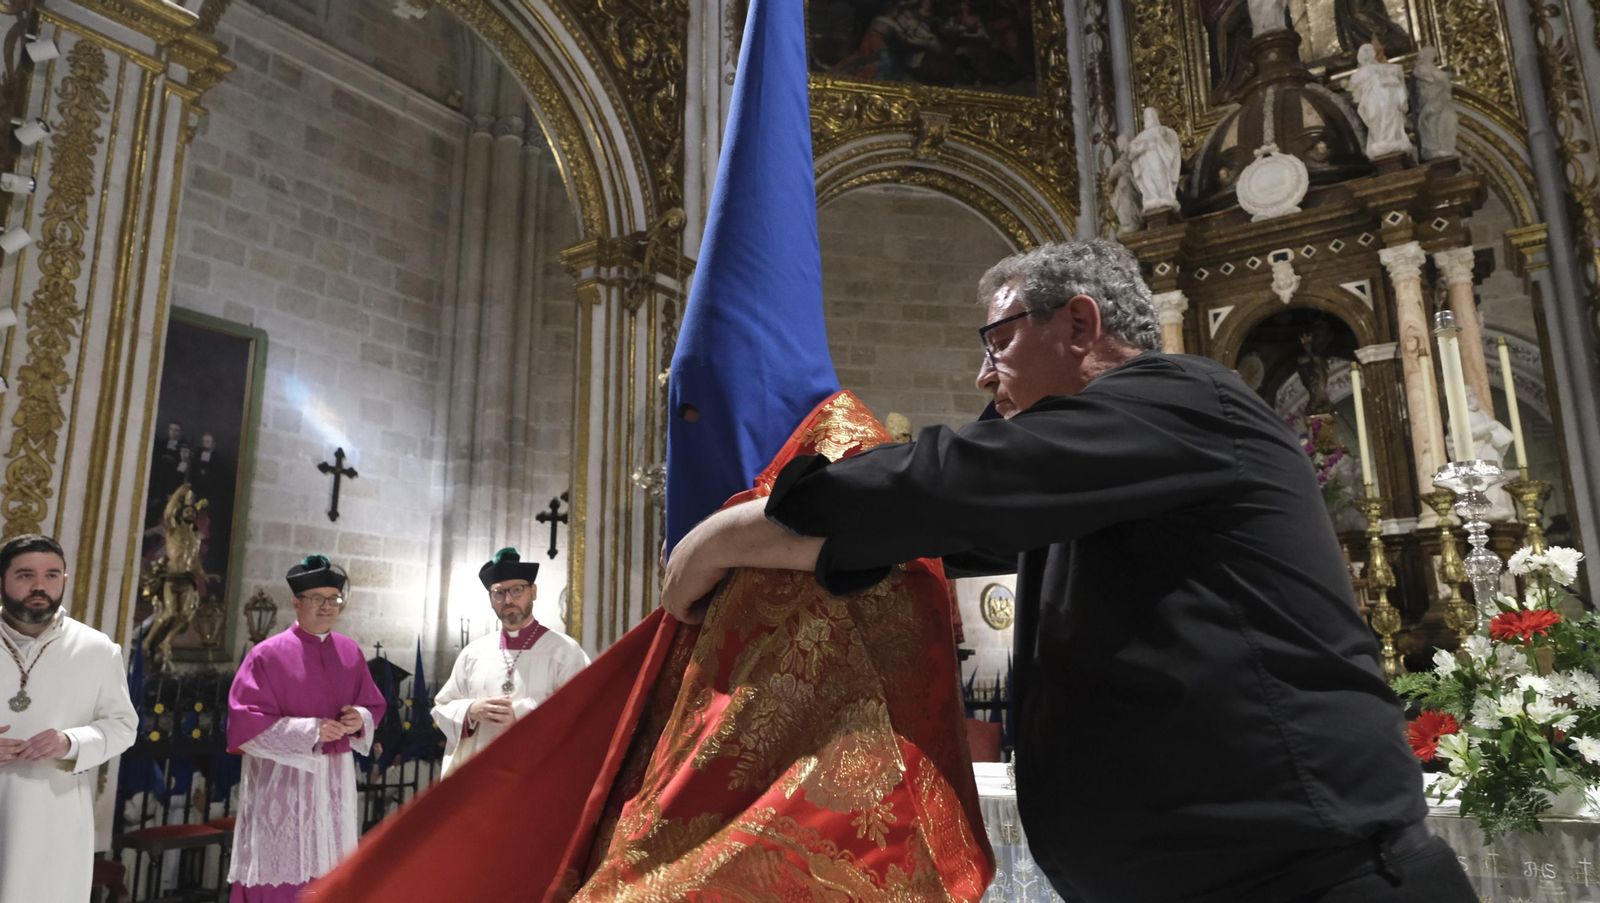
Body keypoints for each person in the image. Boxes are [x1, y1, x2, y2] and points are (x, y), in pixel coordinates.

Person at [662, 239, 1477, 902]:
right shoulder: (1091, 482)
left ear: (1080, 324)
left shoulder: (1186, 403)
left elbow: (954, 481)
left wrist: (717, 538)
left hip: (1316, 883)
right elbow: (915, 534)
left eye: (1000, 341)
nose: (984, 376)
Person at [225, 554, 386, 902]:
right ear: (296, 602)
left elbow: (372, 704)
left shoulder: (350, 652)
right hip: (282, 784)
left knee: (330, 871)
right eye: (317, 599)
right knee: (281, 876)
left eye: (334, 599)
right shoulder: (266, 655)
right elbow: (243, 723)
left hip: (334, 780)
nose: (327, 607)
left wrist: (360, 718)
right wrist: (309, 731)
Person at [0, 534, 138, 903]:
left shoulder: (96, 650)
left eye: (52, 575)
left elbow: (123, 727)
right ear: (3, 580)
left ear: (65, 579)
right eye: (25, 575)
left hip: (54, 812)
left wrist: (71, 742)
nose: (39, 586)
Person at [432, 547, 589, 777]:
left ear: (533, 592)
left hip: (536, 777)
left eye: (517, 590)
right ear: (490, 599)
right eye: (499, 593)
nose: (508, 600)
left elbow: (582, 714)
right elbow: (442, 707)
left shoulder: (564, 652)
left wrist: (521, 716)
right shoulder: (473, 654)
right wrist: (470, 711)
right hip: (481, 779)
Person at [1349, 42, 1413, 160]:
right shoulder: (1364, 73)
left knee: (1385, 119)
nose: (1366, 56)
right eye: (1365, 54)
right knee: (1377, 120)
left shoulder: (1383, 69)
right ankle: (1384, 140)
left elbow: (1397, 81)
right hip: (1374, 101)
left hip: (1385, 99)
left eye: (1368, 53)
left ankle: (1388, 141)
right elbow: (1354, 87)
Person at [1128, 106, 1181, 213]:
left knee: (1160, 177)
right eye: (1146, 116)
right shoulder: (1140, 137)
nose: (1149, 118)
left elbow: (1171, 142)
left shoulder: (1162, 130)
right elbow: (1131, 155)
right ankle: (1153, 197)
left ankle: (1165, 195)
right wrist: (1140, 149)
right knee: (1149, 181)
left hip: (1157, 159)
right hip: (1144, 163)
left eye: (1151, 115)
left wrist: (1161, 138)